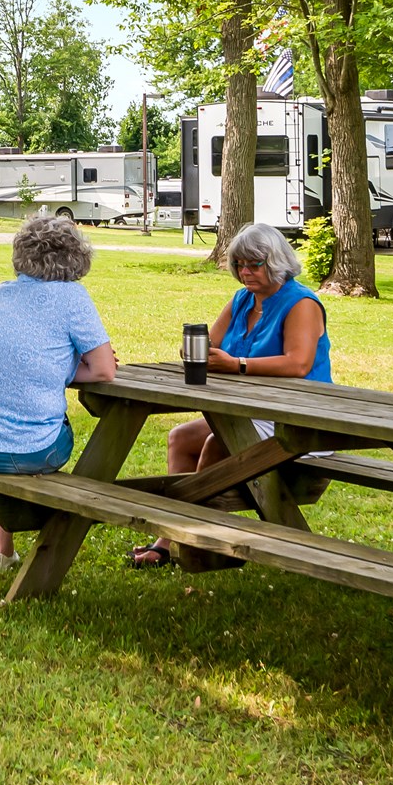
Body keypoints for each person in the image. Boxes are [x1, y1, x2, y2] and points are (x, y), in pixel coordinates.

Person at [129, 220, 332, 568]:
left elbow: (298, 364)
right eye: (240, 264)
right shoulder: (242, 299)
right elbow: (213, 345)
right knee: (181, 438)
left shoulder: (301, 303)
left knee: (216, 444)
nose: (246, 272)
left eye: (255, 265)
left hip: (297, 417)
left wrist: (237, 365)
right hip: (249, 411)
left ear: (277, 262)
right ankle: (175, 535)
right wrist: (196, 353)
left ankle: (202, 540)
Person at [0, 214, 117, 576]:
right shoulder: (71, 297)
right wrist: (65, 367)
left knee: (9, 420)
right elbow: (103, 370)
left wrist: (52, 366)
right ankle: (52, 538)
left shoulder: (0, 293)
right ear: (77, 256)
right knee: (30, 430)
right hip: (30, 450)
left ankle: (2, 553)